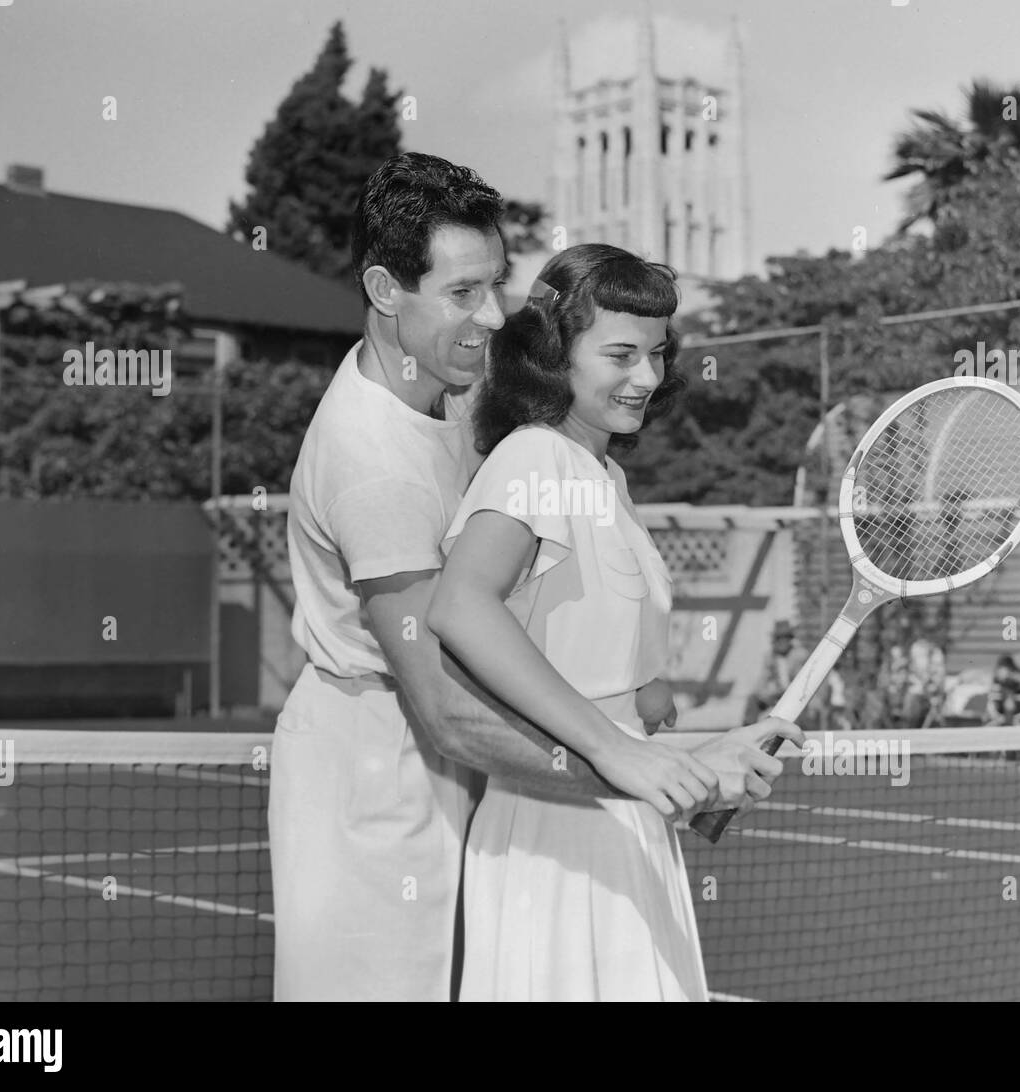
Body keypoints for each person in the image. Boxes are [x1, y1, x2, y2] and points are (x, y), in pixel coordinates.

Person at [269, 154, 791, 1002]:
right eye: (463, 293)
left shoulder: (455, 396)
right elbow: (446, 710)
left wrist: (655, 743)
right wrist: (646, 770)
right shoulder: (377, 471)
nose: (492, 316)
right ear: (385, 289)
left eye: (496, 285)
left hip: (468, 764)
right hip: (381, 774)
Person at [427, 243, 798, 1001]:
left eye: (657, 354)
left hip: (618, 823)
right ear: (555, 355)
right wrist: (615, 753)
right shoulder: (535, 456)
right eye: (621, 354)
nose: (647, 377)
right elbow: (460, 605)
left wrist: (704, 754)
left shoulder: (604, 474)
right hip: (554, 834)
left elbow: (611, 697)